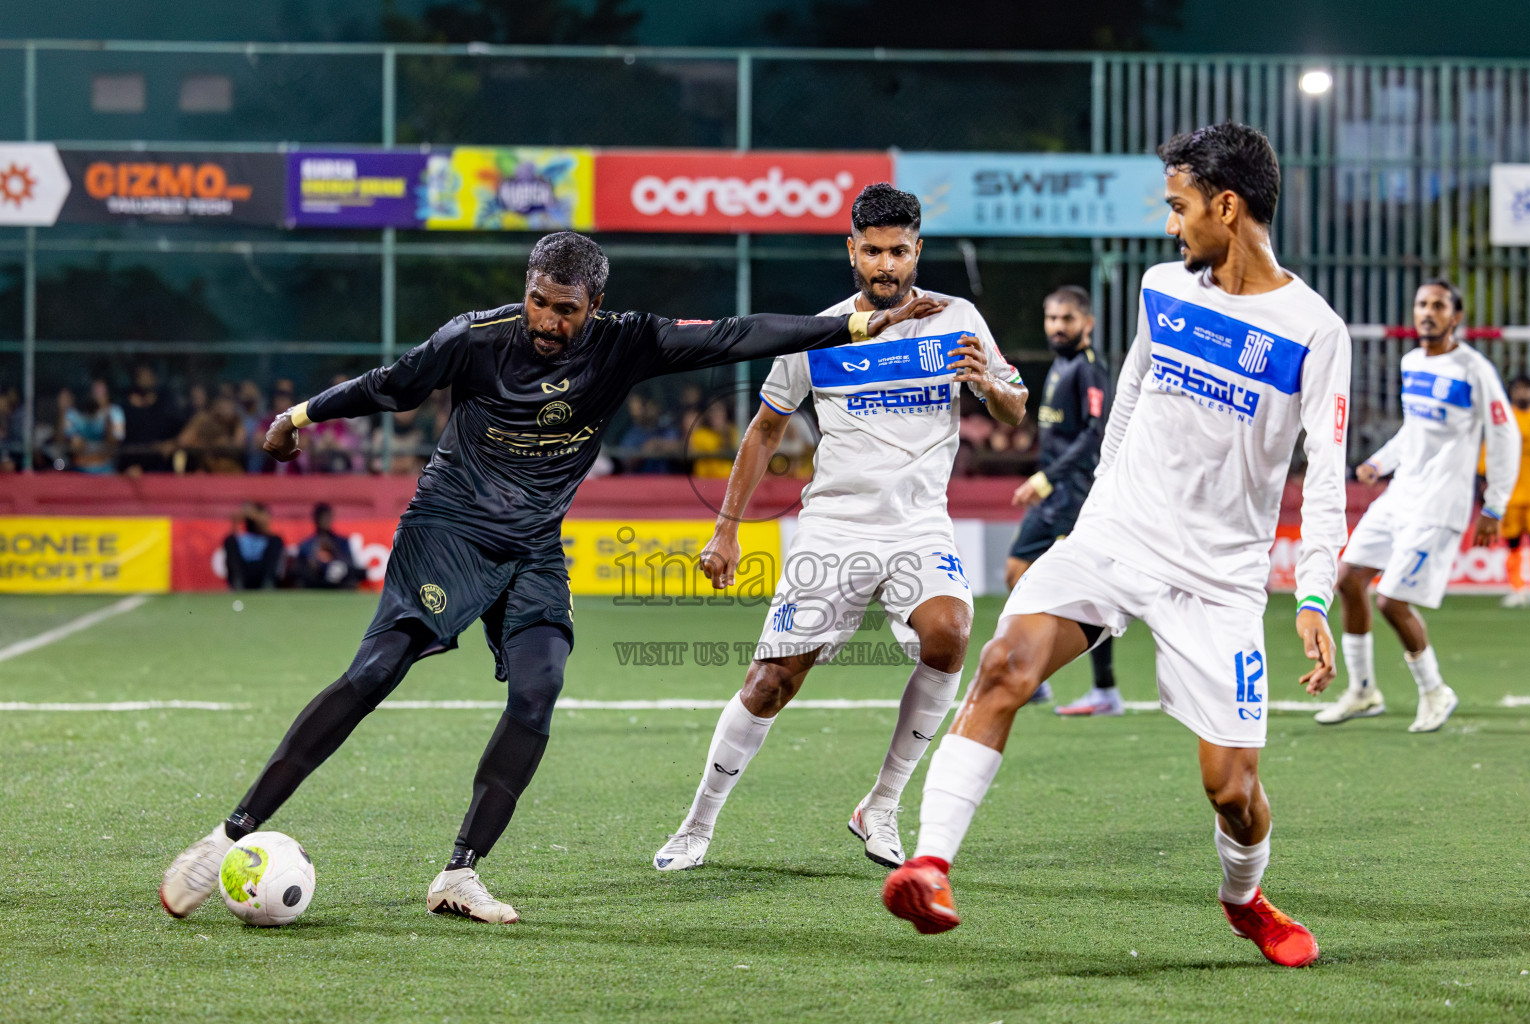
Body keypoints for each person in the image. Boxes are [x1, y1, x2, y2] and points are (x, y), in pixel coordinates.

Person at [158, 230, 944, 925]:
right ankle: (224, 836)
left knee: (537, 691)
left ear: (594, 306)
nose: (548, 321)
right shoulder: (477, 337)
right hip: (449, 529)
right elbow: (391, 384)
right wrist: (299, 418)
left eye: (566, 310)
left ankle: (460, 873)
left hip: (533, 545)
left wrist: (854, 323)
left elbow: (737, 335)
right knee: (374, 672)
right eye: (539, 302)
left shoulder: (625, 342)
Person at [882, 124, 1350, 969]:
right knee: (1002, 667)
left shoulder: (1313, 329)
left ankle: (1245, 901)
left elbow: (1325, 475)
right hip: (1115, 537)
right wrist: (1096, 515)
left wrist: (1313, 594)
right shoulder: (1162, 286)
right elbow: (1130, 396)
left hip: (1219, 580)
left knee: (1232, 790)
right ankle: (930, 864)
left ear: (1227, 205)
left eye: (1180, 208)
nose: (1172, 226)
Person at [653, 184, 1026, 873]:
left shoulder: (958, 319)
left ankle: (881, 806)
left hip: (919, 527)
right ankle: (696, 825)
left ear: (919, 251)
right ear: (851, 250)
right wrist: (726, 529)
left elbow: (1012, 408)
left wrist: (994, 387)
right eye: (874, 251)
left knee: (948, 632)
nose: (887, 265)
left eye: (900, 252)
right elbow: (765, 429)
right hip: (834, 528)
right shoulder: (819, 333)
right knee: (772, 681)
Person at [1313, 280, 1519, 732]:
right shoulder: (1411, 362)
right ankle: (1364, 690)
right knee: (1348, 579)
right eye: (1422, 304)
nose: (1428, 312)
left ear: (1455, 316)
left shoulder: (1473, 369)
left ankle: (1434, 691)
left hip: (1439, 506)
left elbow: (1505, 436)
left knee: (1391, 600)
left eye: (1439, 305)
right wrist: (1379, 462)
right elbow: (1415, 432)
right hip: (1400, 495)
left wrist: (1495, 504)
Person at [1005, 285, 1118, 715]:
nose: (1057, 326)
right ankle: (1038, 679)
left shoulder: (1090, 369)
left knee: (1088, 592)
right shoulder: (1061, 365)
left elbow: (1095, 434)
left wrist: (1045, 478)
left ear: (1086, 323)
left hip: (1074, 495)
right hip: (1052, 494)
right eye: (1051, 318)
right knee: (1017, 572)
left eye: (1067, 319)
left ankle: (1104, 690)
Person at [1498, 376, 1530, 607]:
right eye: (1519, 389)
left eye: (1528, 389)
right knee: (1512, 543)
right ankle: (1517, 588)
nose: (1523, 394)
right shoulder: (1503, 417)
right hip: (1509, 493)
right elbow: (1489, 452)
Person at [120, 365, 185, 474]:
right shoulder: (128, 408)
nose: (144, 379)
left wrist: (172, 443)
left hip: (163, 465)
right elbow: (124, 439)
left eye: (147, 376)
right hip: (135, 466)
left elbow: (180, 430)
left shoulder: (166, 403)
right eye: (140, 376)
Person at [61, 380, 126, 474]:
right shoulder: (74, 415)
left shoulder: (114, 412)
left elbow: (115, 443)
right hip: (80, 470)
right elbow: (72, 444)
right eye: (95, 393)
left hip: (105, 469)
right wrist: (63, 410)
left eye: (101, 393)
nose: (97, 397)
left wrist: (108, 424)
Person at [292, 503, 362, 590]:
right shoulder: (307, 544)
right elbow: (299, 567)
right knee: (300, 578)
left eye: (326, 517)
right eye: (321, 518)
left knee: (349, 577)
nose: (324, 521)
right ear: (315, 519)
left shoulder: (342, 542)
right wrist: (313, 562)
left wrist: (335, 556)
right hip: (316, 577)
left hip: (338, 577)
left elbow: (350, 563)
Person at [223, 502, 285, 590]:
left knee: (276, 541)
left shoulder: (271, 539)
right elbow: (231, 540)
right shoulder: (239, 539)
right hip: (244, 573)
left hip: (262, 573)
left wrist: (256, 516)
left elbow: (266, 528)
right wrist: (236, 521)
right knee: (229, 541)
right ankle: (238, 585)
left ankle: (267, 585)